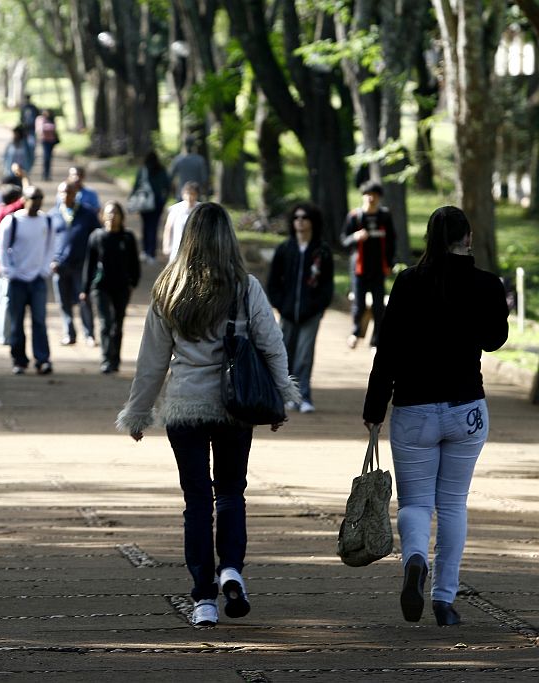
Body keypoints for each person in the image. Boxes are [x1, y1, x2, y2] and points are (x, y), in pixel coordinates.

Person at [117, 202, 297, 627]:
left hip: (184, 406)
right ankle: (231, 568)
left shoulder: (170, 287)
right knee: (232, 492)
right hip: (235, 407)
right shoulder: (245, 287)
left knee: (196, 502)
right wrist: (280, 396)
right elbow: (271, 344)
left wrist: (138, 413)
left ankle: (203, 599)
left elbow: (152, 360)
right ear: (227, 240)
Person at [362, 206, 508, 627]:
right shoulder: (485, 284)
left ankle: (414, 561)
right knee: (453, 504)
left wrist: (374, 408)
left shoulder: (408, 282)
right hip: (466, 410)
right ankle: (444, 601)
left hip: (414, 410)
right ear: (468, 237)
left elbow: (386, 350)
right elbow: (496, 339)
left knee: (415, 502)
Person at [266, 202, 335, 414]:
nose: (300, 221)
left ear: (312, 221)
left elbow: (327, 285)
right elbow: (273, 281)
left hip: (310, 314)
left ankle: (304, 396)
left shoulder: (321, 251)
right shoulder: (285, 249)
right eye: (296, 217)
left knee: (304, 356)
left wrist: (317, 306)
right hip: (287, 313)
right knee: (285, 354)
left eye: (304, 217)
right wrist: (280, 304)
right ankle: (287, 397)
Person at [0, 186, 57, 375]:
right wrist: (9, 271)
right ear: (24, 199)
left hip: (37, 279)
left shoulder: (46, 221)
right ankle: (19, 360)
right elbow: (2, 248)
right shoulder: (12, 221)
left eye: (40, 198)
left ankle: (42, 359)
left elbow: (51, 247)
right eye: (33, 198)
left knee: (39, 320)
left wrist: (44, 269)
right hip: (17, 280)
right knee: (17, 321)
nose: (36, 202)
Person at [81, 201, 140, 374]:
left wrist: (132, 283)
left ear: (122, 216)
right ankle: (106, 359)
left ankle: (115, 359)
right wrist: (85, 289)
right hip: (100, 287)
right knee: (105, 323)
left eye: (115, 213)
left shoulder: (127, 237)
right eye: (109, 213)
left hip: (121, 287)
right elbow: (89, 265)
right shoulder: (96, 237)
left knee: (117, 324)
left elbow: (134, 264)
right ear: (103, 216)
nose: (112, 216)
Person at [341, 181, 396, 348]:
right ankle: (356, 332)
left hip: (378, 268)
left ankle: (376, 340)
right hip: (359, 268)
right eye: (368, 195)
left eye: (375, 195)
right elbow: (344, 240)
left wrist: (390, 262)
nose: (371, 198)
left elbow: (392, 241)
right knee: (359, 302)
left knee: (379, 305)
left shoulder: (385, 217)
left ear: (379, 197)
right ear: (363, 196)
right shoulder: (354, 217)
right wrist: (355, 237)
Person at [49, 180, 100, 347]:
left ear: (75, 194)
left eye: (68, 192)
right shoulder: (53, 214)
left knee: (84, 300)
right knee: (63, 303)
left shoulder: (87, 213)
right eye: (62, 192)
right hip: (59, 266)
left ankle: (89, 334)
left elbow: (97, 237)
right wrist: (50, 261)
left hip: (81, 266)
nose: (65, 196)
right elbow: (46, 241)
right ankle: (69, 333)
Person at [0, 183, 25, 345]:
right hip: (5, 264)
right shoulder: (6, 213)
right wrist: (25, 178)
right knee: (6, 300)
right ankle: (5, 336)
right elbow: (24, 201)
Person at [133, 151, 171, 263]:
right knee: (153, 227)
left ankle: (145, 251)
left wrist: (134, 201)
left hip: (144, 202)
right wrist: (164, 201)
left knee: (145, 226)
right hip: (157, 202)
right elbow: (167, 186)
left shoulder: (143, 170)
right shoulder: (161, 170)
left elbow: (136, 186)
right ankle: (151, 253)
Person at [162, 181, 201, 263]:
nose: (190, 197)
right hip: (177, 247)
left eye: (192, 194)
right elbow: (168, 228)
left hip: (197, 248)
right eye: (187, 193)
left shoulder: (201, 209)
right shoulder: (176, 209)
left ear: (197, 195)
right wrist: (166, 245)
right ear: (183, 194)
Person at [35, 109, 59, 181]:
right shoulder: (40, 119)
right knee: (46, 157)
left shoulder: (51, 119)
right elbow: (40, 129)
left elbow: (54, 128)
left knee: (49, 158)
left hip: (51, 141)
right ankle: (45, 174)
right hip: (44, 140)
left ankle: (48, 174)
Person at [20, 94, 40, 168]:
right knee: (26, 145)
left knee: (32, 145)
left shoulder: (32, 107)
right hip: (26, 129)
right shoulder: (24, 107)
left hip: (31, 129)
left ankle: (31, 158)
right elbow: (21, 118)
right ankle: (27, 158)